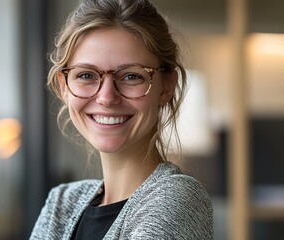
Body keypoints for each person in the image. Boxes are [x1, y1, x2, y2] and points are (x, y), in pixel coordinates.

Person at [30, 0, 213, 239]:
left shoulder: (177, 199)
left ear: (167, 86)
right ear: (63, 86)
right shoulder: (62, 202)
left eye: (131, 76)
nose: (106, 97)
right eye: (86, 75)